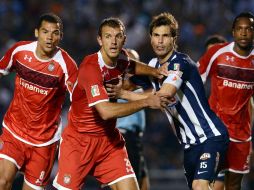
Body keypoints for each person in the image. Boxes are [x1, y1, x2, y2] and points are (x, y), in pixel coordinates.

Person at [113, 12, 229, 190]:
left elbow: (163, 96)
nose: (160, 41)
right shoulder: (152, 66)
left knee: (200, 186)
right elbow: (127, 85)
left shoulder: (180, 62)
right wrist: (117, 76)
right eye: (156, 35)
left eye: (165, 36)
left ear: (174, 39)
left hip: (210, 137)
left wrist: (125, 95)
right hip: (189, 146)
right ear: (150, 38)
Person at [53, 17, 170, 190]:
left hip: (109, 142)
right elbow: (105, 111)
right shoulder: (91, 68)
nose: (113, 42)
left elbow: (131, 65)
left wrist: (156, 71)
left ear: (124, 39)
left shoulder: (121, 58)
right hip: (79, 143)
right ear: (99, 40)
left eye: (118, 36)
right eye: (108, 36)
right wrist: (146, 101)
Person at [0, 13, 78, 190]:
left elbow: (80, 100)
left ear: (60, 36)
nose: (50, 37)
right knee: (2, 181)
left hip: (44, 142)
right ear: (36, 32)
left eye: (55, 33)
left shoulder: (67, 65)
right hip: (14, 132)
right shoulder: (19, 51)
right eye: (45, 32)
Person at [198, 12, 254, 190]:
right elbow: (194, 81)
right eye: (240, 29)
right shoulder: (217, 53)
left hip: (241, 134)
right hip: (216, 130)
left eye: (248, 29)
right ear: (233, 31)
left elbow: (251, 102)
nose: (244, 33)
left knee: (234, 185)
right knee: (205, 182)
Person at [116, 49, 151, 190]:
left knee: (143, 185)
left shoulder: (138, 82)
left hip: (135, 138)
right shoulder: (121, 82)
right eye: (132, 62)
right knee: (132, 183)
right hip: (124, 137)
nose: (136, 66)